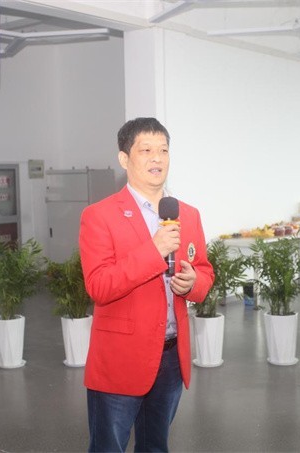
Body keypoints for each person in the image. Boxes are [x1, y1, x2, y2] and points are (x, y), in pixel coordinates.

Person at [79, 117, 215, 452]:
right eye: (146, 150)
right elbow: (99, 285)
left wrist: (192, 283)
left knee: (156, 447)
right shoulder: (99, 215)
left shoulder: (188, 214)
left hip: (170, 357)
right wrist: (154, 251)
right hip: (120, 358)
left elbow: (204, 272)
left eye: (163, 150)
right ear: (124, 159)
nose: (157, 158)